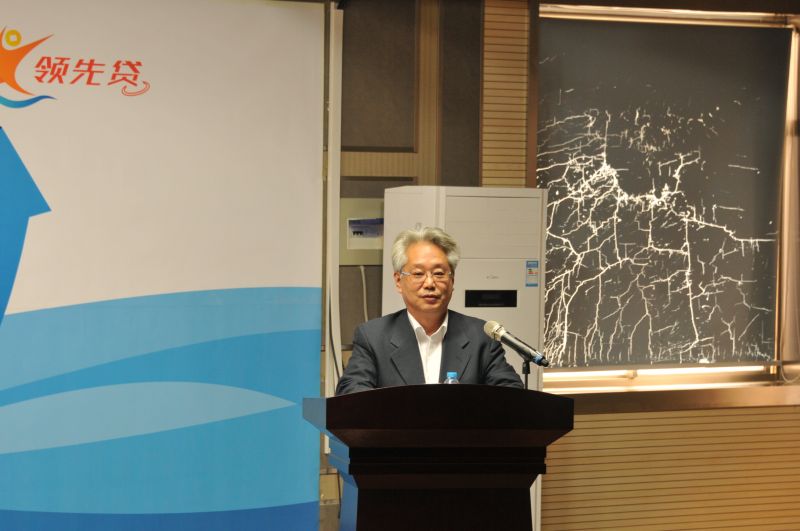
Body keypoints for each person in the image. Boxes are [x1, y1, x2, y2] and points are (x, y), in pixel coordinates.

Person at [335, 226, 523, 395]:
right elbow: (351, 395)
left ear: (452, 281)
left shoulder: (481, 337)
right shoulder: (373, 337)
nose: (430, 283)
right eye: (418, 274)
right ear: (398, 281)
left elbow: (511, 394)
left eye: (439, 273)